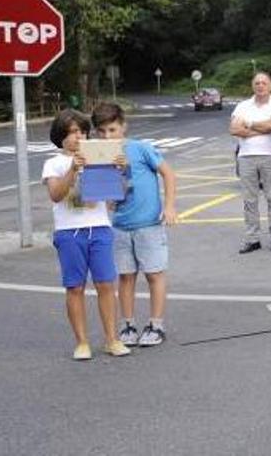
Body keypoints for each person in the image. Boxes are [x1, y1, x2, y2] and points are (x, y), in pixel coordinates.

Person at [42, 109, 131, 360]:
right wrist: (72, 169)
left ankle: (112, 339)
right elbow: (56, 195)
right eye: (71, 132)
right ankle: (81, 342)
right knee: (75, 287)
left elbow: (117, 196)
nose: (77, 137)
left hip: (100, 227)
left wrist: (120, 170)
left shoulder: (99, 156)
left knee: (105, 284)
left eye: (81, 131)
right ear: (60, 136)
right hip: (69, 232)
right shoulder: (53, 163)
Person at [92, 103, 178, 348]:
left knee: (154, 273)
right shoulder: (99, 155)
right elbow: (106, 198)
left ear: (123, 126)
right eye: (102, 131)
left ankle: (156, 325)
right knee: (126, 277)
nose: (107, 136)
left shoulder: (141, 149)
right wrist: (113, 173)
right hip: (120, 225)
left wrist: (169, 206)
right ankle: (127, 325)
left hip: (149, 223)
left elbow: (169, 174)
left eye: (112, 129)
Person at [230, 72, 271, 253]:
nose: (260, 86)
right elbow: (233, 129)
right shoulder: (242, 106)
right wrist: (262, 128)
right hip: (246, 156)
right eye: (257, 83)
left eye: (264, 83)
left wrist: (247, 124)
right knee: (249, 200)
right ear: (252, 86)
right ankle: (252, 238)